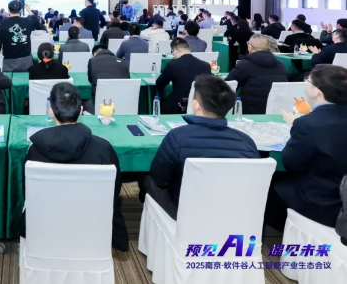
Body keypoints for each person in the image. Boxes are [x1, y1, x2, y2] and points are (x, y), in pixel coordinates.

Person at [23, 82, 129, 251]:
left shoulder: (35, 150)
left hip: (45, 226)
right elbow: (113, 191)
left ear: (51, 111)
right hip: (93, 227)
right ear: (81, 111)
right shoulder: (103, 148)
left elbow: (27, 192)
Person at [139, 75, 259, 220]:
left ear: (195, 104)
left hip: (184, 214)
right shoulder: (247, 142)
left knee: (147, 180)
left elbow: (160, 179)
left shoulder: (177, 137)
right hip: (232, 214)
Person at [266, 65, 347, 231]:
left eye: (308, 81)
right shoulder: (310, 122)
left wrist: (297, 128)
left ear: (317, 91)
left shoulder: (308, 124)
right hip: (340, 196)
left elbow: (291, 163)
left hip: (321, 202)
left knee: (266, 185)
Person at [225, 34, 287, 114]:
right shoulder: (280, 65)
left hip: (249, 112)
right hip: (276, 112)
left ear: (250, 47)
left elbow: (227, 85)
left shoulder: (245, 65)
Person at [156, 38, 211, 114]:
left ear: (175, 50)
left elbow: (159, 83)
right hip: (200, 105)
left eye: (172, 52)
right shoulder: (206, 66)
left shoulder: (173, 65)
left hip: (178, 106)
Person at [0, 0, 34, 72]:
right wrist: (30, 12)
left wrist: (1, 51)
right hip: (26, 60)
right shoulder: (27, 21)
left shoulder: (2, 24)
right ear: (21, 10)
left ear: (8, 10)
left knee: (8, 79)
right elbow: (37, 23)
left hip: (9, 61)